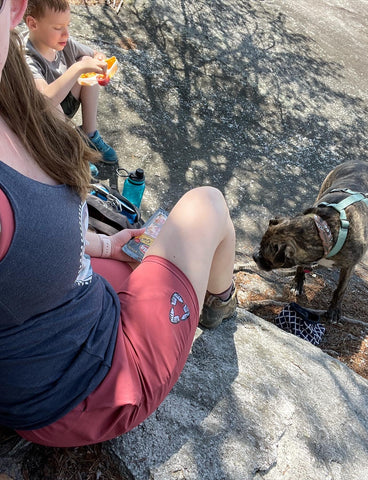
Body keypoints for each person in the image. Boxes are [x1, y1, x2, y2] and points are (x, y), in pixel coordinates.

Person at [0, 0, 237, 448]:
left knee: (135, 255)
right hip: (91, 392)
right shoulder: (20, 84)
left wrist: (106, 248)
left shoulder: (12, 85)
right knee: (207, 203)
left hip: (49, 351)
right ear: (19, 16)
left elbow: (28, 245)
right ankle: (221, 303)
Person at [22, 0, 118, 176]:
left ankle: (89, 135)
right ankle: (62, 150)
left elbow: (94, 54)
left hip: (61, 114)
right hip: (39, 127)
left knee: (85, 62)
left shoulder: (64, 43)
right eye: (58, 27)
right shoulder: (27, 57)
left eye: (68, 25)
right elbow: (44, 102)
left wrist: (99, 62)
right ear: (33, 24)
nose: (66, 34)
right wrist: (77, 68)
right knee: (79, 67)